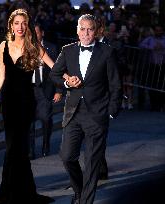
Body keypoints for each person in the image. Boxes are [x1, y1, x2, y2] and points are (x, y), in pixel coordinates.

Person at [50, 14, 122, 204]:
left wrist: (112, 111)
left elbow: (116, 84)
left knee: (92, 164)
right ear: (77, 31)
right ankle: (79, 190)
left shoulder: (107, 52)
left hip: (97, 115)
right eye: (82, 29)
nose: (86, 33)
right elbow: (54, 74)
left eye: (90, 29)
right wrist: (67, 82)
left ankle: (85, 201)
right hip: (73, 113)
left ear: (96, 31)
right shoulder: (68, 51)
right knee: (66, 156)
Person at [0, 9, 55, 204]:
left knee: (18, 147)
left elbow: (53, 65)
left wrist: (68, 77)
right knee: (13, 146)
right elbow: (1, 75)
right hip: (9, 102)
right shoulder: (3, 45)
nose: (20, 27)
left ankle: (14, 193)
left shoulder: (34, 46)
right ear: (11, 25)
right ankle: (20, 191)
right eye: (16, 23)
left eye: (23, 23)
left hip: (26, 101)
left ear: (28, 26)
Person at [29, 22, 63, 159]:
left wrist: (59, 90)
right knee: (28, 122)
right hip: (29, 90)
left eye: (36, 32)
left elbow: (58, 70)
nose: (33, 35)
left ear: (42, 33)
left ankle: (45, 145)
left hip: (46, 90)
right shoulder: (25, 48)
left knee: (45, 119)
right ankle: (30, 151)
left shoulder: (52, 48)